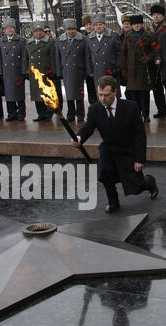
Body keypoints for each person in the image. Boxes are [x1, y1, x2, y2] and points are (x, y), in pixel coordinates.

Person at [72, 76, 158, 213]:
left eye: (106, 95)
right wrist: (79, 137)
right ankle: (113, 202)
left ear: (115, 92)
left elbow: (139, 135)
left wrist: (139, 159)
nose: (102, 99)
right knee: (105, 175)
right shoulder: (95, 109)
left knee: (135, 187)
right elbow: (88, 127)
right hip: (109, 150)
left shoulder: (130, 107)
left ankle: (149, 182)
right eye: (100, 95)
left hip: (127, 150)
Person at [120, 14, 154, 123]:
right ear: (131, 25)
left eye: (138, 24)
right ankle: (136, 114)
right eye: (134, 24)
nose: (137, 26)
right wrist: (123, 68)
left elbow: (154, 49)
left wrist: (148, 57)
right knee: (133, 94)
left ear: (142, 24)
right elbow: (123, 53)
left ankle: (146, 114)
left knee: (144, 94)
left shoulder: (148, 35)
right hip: (132, 69)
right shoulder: (128, 36)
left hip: (144, 69)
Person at [23, 21, 56, 122]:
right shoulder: (29, 43)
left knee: (46, 94)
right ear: (33, 33)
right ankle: (40, 114)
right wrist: (26, 71)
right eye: (36, 31)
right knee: (36, 94)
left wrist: (53, 71)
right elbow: (26, 58)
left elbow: (52, 58)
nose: (38, 33)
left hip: (45, 72)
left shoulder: (50, 42)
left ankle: (48, 114)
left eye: (40, 31)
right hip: (34, 73)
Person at [56, 18, 86, 122]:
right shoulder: (59, 40)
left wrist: (86, 70)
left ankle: (80, 114)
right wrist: (59, 72)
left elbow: (86, 56)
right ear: (65, 30)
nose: (71, 31)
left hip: (79, 70)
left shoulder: (82, 39)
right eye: (68, 29)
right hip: (67, 71)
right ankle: (70, 114)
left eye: (72, 29)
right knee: (69, 94)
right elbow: (58, 57)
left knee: (79, 94)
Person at [86, 13, 122, 98]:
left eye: (100, 24)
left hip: (111, 70)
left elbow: (119, 53)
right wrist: (90, 70)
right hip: (97, 71)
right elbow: (88, 56)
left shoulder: (113, 36)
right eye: (96, 25)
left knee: (112, 94)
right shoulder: (88, 39)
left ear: (104, 25)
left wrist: (117, 67)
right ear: (93, 26)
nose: (98, 27)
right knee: (101, 94)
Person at [0, 18, 26, 121]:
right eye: (7, 28)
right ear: (5, 30)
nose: (10, 30)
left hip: (17, 71)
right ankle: (11, 113)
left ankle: (21, 113)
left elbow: (24, 57)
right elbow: (0, 57)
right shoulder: (1, 41)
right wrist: (0, 71)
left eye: (11, 28)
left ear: (14, 29)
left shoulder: (21, 40)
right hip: (6, 72)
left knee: (19, 94)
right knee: (9, 95)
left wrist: (24, 71)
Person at [146, 4, 166, 119]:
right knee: (156, 87)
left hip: (164, 60)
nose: (156, 17)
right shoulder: (149, 27)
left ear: (163, 16)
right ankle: (161, 110)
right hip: (152, 61)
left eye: (158, 15)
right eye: (154, 15)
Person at [82, 15, 97, 105]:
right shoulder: (83, 38)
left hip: (97, 68)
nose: (88, 26)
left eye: (90, 24)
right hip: (88, 70)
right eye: (86, 25)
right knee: (91, 92)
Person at [119, 15, 132, 100]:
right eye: (125, 24)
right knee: (128, 88)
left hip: (132, 64)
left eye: (128, 23)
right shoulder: (120, 37)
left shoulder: (134, 35)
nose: (126, 25)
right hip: (125, 65)